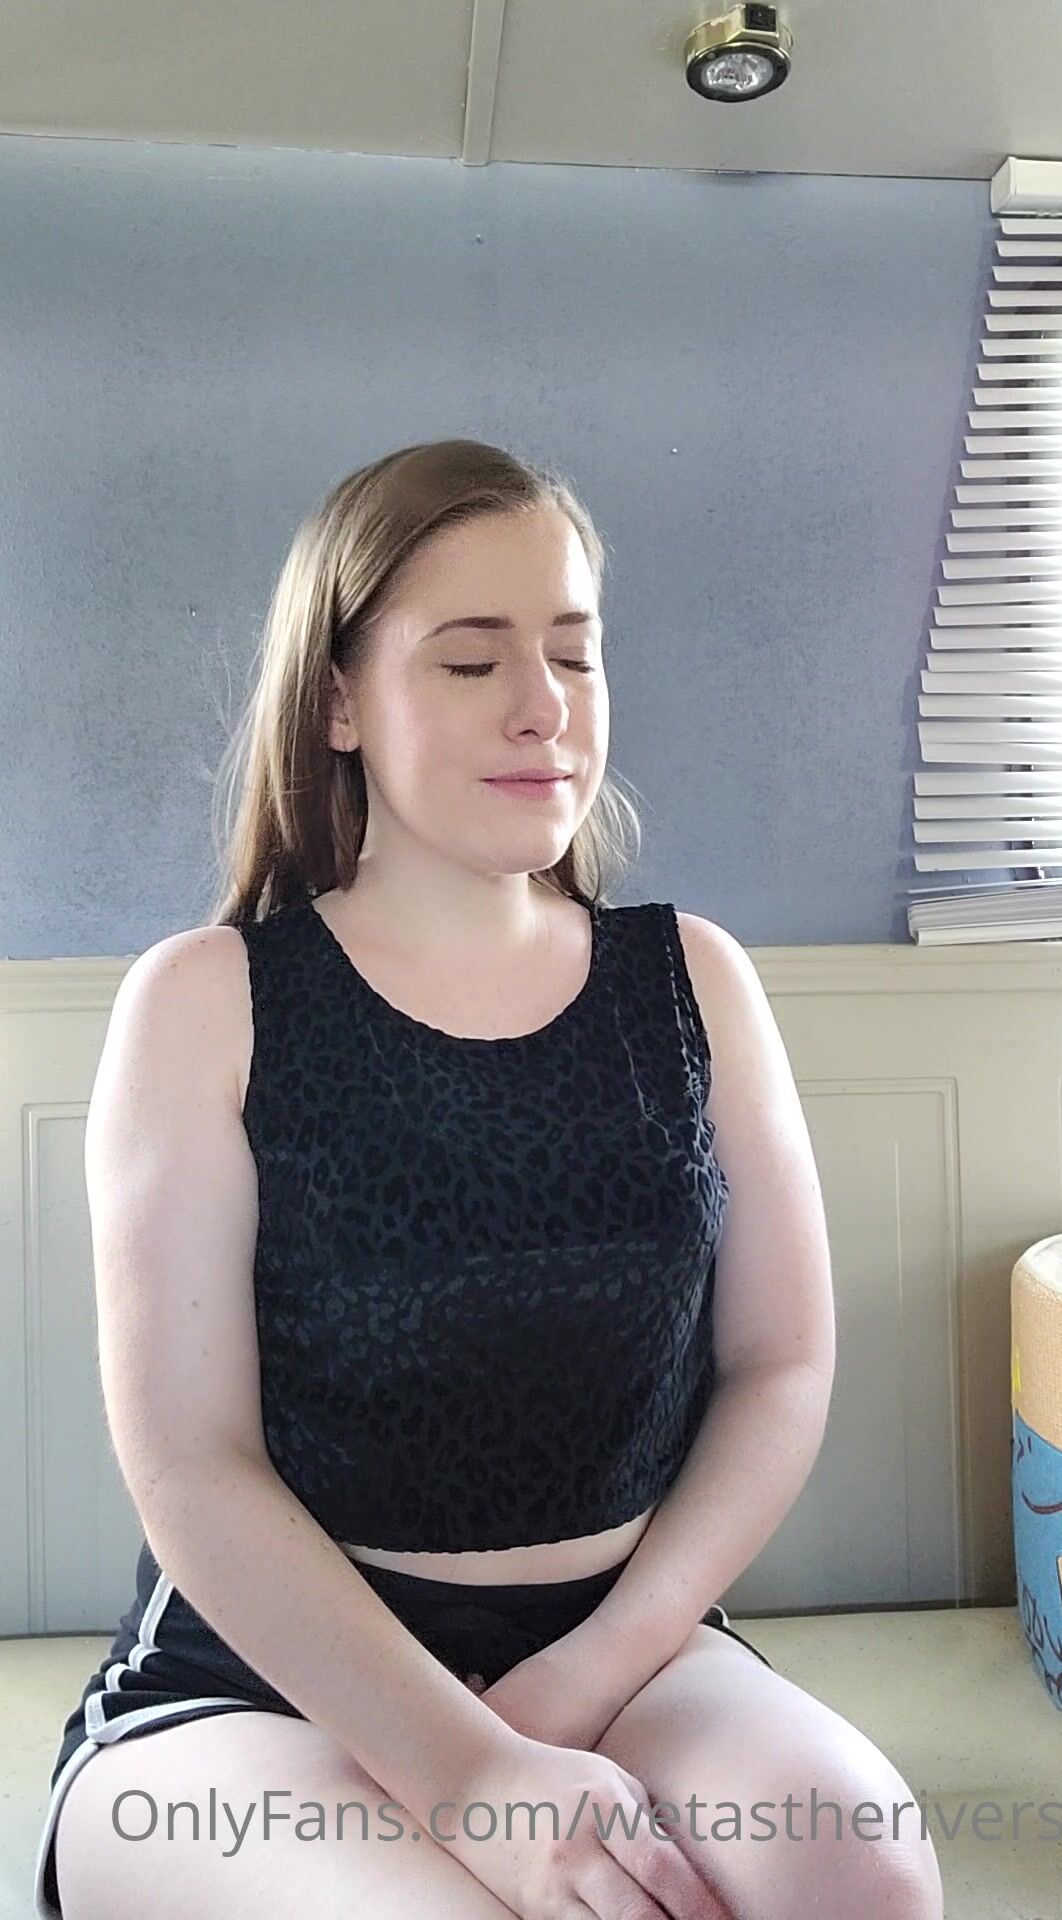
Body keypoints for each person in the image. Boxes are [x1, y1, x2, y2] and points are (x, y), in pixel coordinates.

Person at [34, 439, 944, 1920]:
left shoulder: (694, 981)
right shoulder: (205, 1002)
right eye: (470, 661)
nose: (544, 707)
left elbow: (781, 1368)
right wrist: (471, 1774)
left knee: (867, 1868)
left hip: (626, 1644)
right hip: (260, 1684)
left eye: (574, 655)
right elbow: (191, 1463)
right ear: (339, 700)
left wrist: (590, 1672)